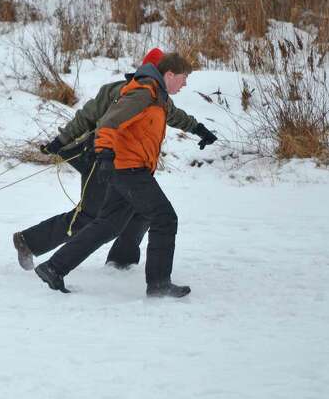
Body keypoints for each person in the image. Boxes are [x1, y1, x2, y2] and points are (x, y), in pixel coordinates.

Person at [13, 49, 216, 271]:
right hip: (94, 155)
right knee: (91, 215)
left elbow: (174, 115)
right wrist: (61, 140)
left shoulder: (158, 96)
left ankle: (121, 261)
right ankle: (30, 242)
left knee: (140, 209)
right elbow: (88, 118)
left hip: (119, 162)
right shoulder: (126, 91)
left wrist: (198, 128)